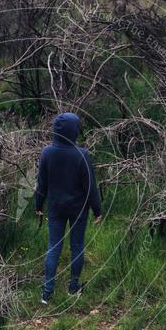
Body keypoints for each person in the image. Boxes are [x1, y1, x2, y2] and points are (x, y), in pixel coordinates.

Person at [34, 112, 102, 304]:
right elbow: (90, 186)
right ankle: (73, 287)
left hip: (55, 208)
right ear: (74, 131)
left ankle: (47, 292)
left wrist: (38, 204)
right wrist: (97, 210)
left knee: (53, 247)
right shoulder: (82, 154)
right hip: (78, 209)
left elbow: (42, 182)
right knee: (77, 247)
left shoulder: (47, 152)